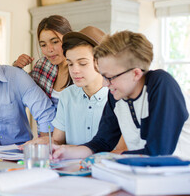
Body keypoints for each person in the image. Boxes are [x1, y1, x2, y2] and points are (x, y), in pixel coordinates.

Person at [52, 30, 189, 160]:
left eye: (109, 77)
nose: (105, 84)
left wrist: (111, 157)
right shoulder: (117, 95)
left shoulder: (161, 84)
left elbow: (158, 153)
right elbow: (101, 142)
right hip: (145, 173)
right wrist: (66, 152)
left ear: (135, 73)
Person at [24, 26, 109, 146]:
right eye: (70, 64)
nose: (75, 70)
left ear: (100, 61)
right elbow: (57, 140)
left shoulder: (116, 97)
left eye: (82, 63)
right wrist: (39, 144)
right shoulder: (67, 95)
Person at [13, 15, 73, 108]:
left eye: (55, 42)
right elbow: (17, 94)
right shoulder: (43, 66)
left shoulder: (80, 68)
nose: (49, 49)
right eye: (43, 45)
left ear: (68, 38)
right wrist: (16, 69)